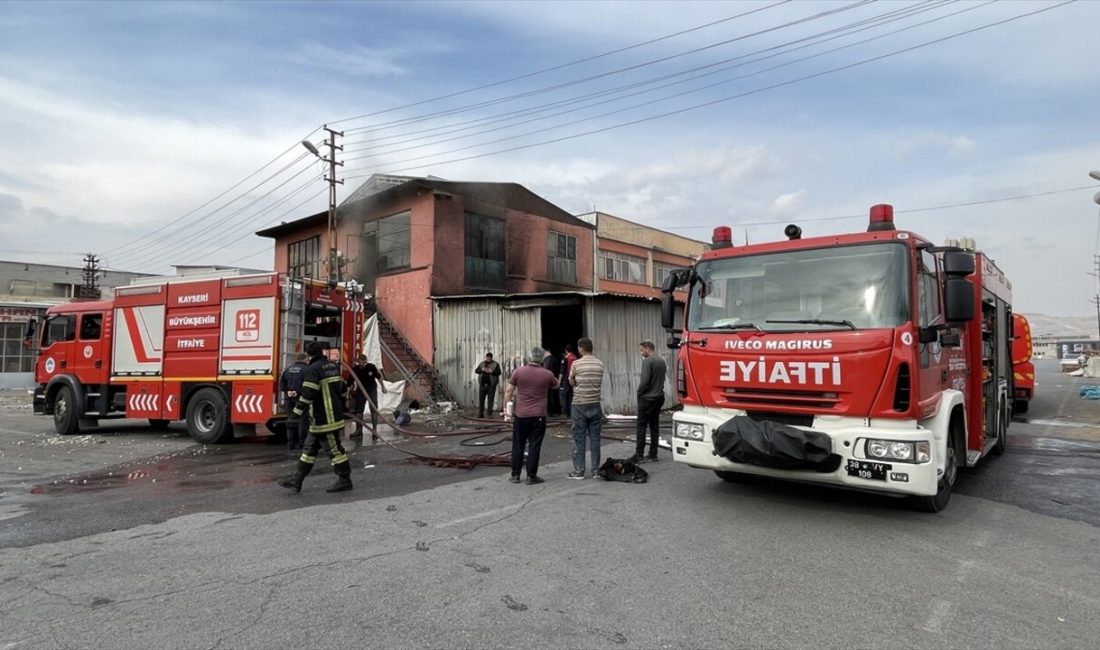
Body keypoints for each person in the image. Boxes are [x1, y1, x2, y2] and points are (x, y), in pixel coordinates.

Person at [278, 342, 353, 493]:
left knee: (334, 450)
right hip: (324, 418)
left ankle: (345, 479)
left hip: (325, 419)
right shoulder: (332, 366)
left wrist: (296, 413)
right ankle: (297, 480)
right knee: (309, 449)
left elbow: (308, 394)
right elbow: (343, 389)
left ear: (308, 355)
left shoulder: (312, 370)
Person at [504, 347, 559, 485]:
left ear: (529, 357)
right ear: (542, 358)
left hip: (521, 415)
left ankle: (515, 475)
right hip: (538, 415)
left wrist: (506, 408)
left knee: (518, 444)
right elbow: (556, 385)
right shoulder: (547, 374)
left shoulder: (518, 372)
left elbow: (509, 391)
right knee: (534, 445)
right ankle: (531, 476)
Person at [566, 337, 605, 480]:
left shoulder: (576, 364)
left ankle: (579, 471)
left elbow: (571, 381)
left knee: (579, 438)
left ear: (581, 349)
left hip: (579, 404)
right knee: (595, 439)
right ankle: (595, 471)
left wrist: (576, 381)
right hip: (595, 403)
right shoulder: (599, 364)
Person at [633, 340, 667, 463]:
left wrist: (639, 392)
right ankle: (653, 454)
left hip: (647, 398)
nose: (641, 353)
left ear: (648, 349)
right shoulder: (661, 361)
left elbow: (645, 382)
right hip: (659, 397)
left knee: (641, 426)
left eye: (642, 350)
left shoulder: (647, 361)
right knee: (654, 426)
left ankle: (639, 455)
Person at [349, 354, 387, 440]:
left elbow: (379, 377)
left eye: (365, 362)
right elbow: (350, 382)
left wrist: (383, 387)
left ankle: (374, 431)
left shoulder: (371, 367)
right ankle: (358, 431)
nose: (364, 364)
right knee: (359, 411)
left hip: (371, 390)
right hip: (361, 392)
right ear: (359, 362)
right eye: (362, 362)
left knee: (374, 410)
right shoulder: (355, 370)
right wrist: (347, 393)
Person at [279, 352, 309, 451]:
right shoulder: (306, 370)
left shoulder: (287, 370)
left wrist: (288, 392)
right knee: (302, 420)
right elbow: (308, 386)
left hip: (289, 399)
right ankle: (301, 443)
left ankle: (291, 443)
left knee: (291, 419)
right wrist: (297, 392)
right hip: (301, 399)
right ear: (305, 359)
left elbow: (282, 384)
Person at [475, 352, 502, 418]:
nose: (488, 358)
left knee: (490, 400)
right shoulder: (482, 364)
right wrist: (482, 370)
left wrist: (492, 371)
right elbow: (476, 371)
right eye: (487, 357)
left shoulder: (496, 364)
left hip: (491, 386)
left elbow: (499, 372)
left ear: (491, 358)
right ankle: (480, 414)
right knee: (481, 400)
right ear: (486, 357)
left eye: (489, 357)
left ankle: (489, 414)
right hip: (482, 385)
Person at [542, 347, 562, 416]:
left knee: (547, 396)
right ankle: (552, 412)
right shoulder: (555, 359)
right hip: (554, 380)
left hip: (547, 381)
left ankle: (548, 411)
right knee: (553, 396)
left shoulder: (545, 360)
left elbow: (545, 370)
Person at [559, 343, 577, 419]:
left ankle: (564, 413)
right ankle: (570, 413)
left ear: (566, 350)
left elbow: (562, 371)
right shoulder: (575, 357)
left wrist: (559, 381)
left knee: (563, 396)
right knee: (570, 396)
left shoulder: (565, 358)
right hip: (573, 379)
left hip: (565, 380)